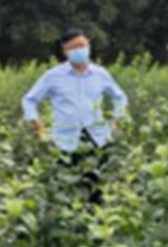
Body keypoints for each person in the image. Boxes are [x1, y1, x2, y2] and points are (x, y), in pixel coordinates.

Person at [21, 28, 128, 202]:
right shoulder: (54, 76)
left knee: (96, 189)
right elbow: (29, 100)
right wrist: (40, 129)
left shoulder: (100, 74)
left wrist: (117, 121)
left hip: (97, 138)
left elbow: (120, 97)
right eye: (73, 47)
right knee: (66, 189)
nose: (79, 51)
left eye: (82, 45)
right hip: (65, 140)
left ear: (88, 46)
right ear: (65, 51)